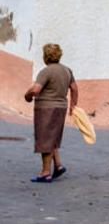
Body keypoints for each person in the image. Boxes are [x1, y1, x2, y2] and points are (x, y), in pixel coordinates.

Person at [24, 44, 78, 183]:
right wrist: (73, 106)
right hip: (61, 107)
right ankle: (58, 166)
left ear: (45, 56)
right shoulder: (67, 70)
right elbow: (74, 88)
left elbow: (36, 90)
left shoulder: (46, 72)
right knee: (52, 136)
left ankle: (45, 172)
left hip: (46, 108)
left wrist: (27, 95)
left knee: (45, 139)